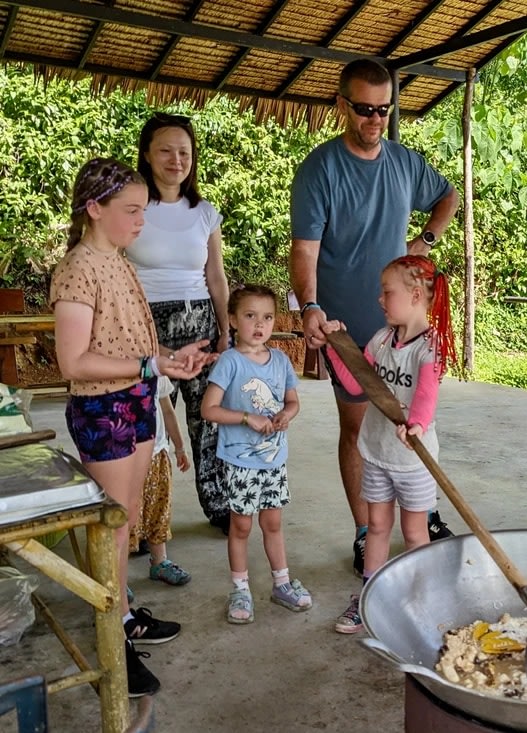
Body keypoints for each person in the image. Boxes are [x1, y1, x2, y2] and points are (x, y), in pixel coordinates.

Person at [51, 157, 216, 696]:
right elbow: (74, 362)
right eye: (131, 210)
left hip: (136, 401)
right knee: (115, 529)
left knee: (128, 520)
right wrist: (150, 366)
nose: (141, 221)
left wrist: (168, 359)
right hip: (105, 410)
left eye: (143, 210)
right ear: (94, 209)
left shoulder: (118, 260)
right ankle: (111, 643)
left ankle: (121, 616)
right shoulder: (79, 268)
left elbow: (129, 344)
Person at [290, 58, 460, 577]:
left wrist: (424, 242)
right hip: (349, 324)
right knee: (359, 427)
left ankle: (420, 513)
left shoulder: (406, 164)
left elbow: (448, 197)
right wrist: (312, 306)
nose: (374, 119)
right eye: (364, 109)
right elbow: (304, 251)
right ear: (342, 105)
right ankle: (368, 529)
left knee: (414, 421)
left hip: (405, 323)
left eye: (383, 110)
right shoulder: (320, 169)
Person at [319, 255, 459, 634]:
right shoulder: (381, 340)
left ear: (415, 295)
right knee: (377, 526)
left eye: (387, 292)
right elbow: (354, 384)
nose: (380, 300)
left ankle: (420, 600)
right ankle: (369, 597)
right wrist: (336, 344)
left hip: (414, 461)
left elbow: (427, 396)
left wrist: (416, 424)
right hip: (377, 454)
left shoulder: (430, 348)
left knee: (415, 533)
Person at [126, 112, 231, 534]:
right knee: (143, 420)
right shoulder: (132, 206)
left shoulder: (204, 212)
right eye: (166, 150)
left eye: (184, 152)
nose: (176, 160)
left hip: (200, 321)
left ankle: (219, 505)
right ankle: (136, 520)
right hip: (145, 325)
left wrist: (226, 332)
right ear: (147, 155)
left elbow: (216, 277)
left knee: (207, 418)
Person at [201, 285, 312, 624]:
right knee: (241, 527)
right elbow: (209, 409)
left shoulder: (279, 360)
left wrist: (284, 416)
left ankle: (281, 583)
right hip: (239, 462)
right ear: (233, 320)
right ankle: (240, 589)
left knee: (273, 523)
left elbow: (293, 402)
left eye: (267, 317)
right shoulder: (230, 362)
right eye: (250, 316)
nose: (259, 324)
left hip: (273, 460)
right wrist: (248, 417)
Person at [128, 375, 192, 587]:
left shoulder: (156, 373)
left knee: (159, 508)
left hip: (157, 453)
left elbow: (168, 411)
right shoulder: (111, 374)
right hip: (124, 459)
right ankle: (117, 577)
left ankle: (160, 562)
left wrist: (180, 447)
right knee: (126, 515)